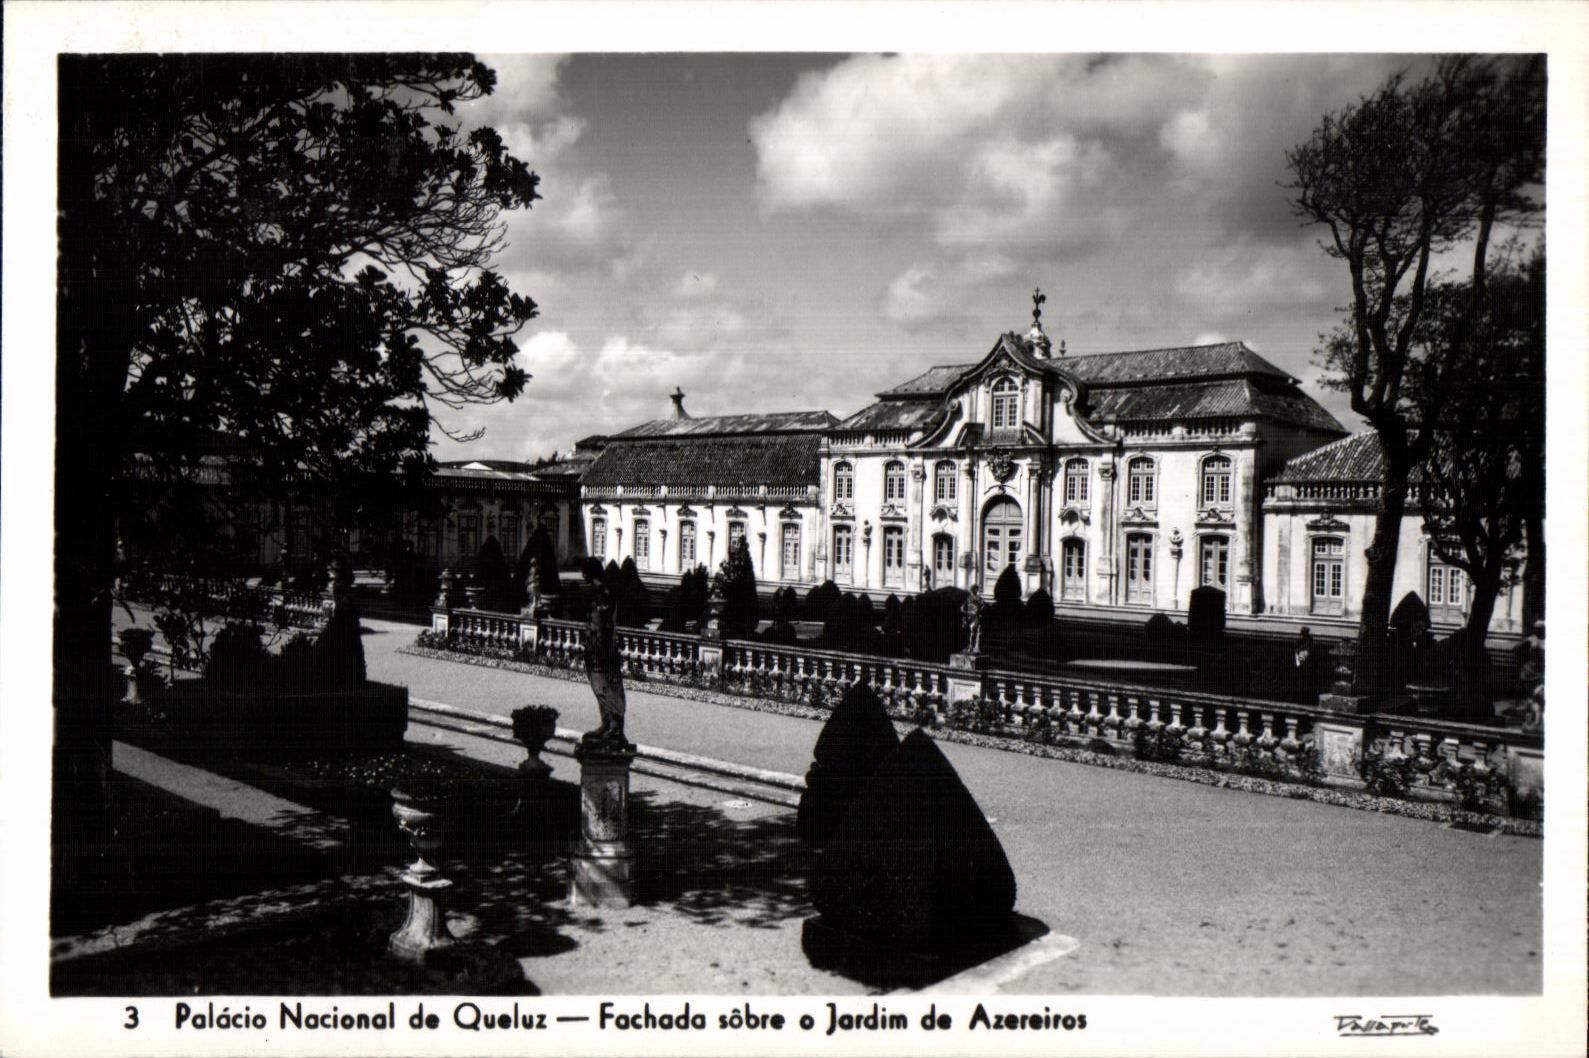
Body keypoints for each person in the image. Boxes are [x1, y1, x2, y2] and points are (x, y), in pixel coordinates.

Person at [581, 561, 628, 745]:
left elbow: (605, 625)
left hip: (604, 650)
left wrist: (600, 646)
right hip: (595, 649)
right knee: (599, 687)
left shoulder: (605, 595)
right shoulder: (597, 594)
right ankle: (606, 724)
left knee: (607, 687)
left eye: (586, 574)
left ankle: (615, 728)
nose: (584, 578)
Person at [962, 583, 983, 654]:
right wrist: (968, 612)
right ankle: (969, 646)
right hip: (969, 617)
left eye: (976, 589)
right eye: (974, 589)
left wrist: (979, 611)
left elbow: (983, 606)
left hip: (975, 617)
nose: (975, 590)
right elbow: (962, 608)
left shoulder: (979, 599)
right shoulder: (968, 599)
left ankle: (972, 646)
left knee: (973, 631)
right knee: (968, 632)